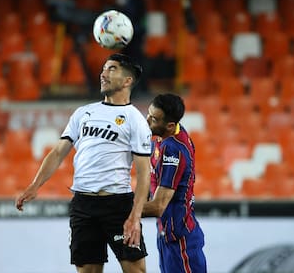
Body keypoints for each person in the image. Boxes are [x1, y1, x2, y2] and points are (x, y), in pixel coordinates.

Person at [15, 53, 152, 273]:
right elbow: (59, 152)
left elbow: (144, 173)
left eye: (112, 69)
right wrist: (35, 185)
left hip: (117, 205)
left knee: (136, 270)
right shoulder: (83, 113)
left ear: (127, 81)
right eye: (104, 69)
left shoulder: (134, 119)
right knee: (87, 270)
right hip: (83, 205)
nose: (103, 74)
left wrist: (135, 217)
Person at [142, 93, 207, 273]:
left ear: (170, 125)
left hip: (180, 240)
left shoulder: (173, 151)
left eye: (153, 119)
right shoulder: (165, 135)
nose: (147, 120)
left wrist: (117, 211)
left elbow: (158, 206)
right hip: (166, 235)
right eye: (148, 114)